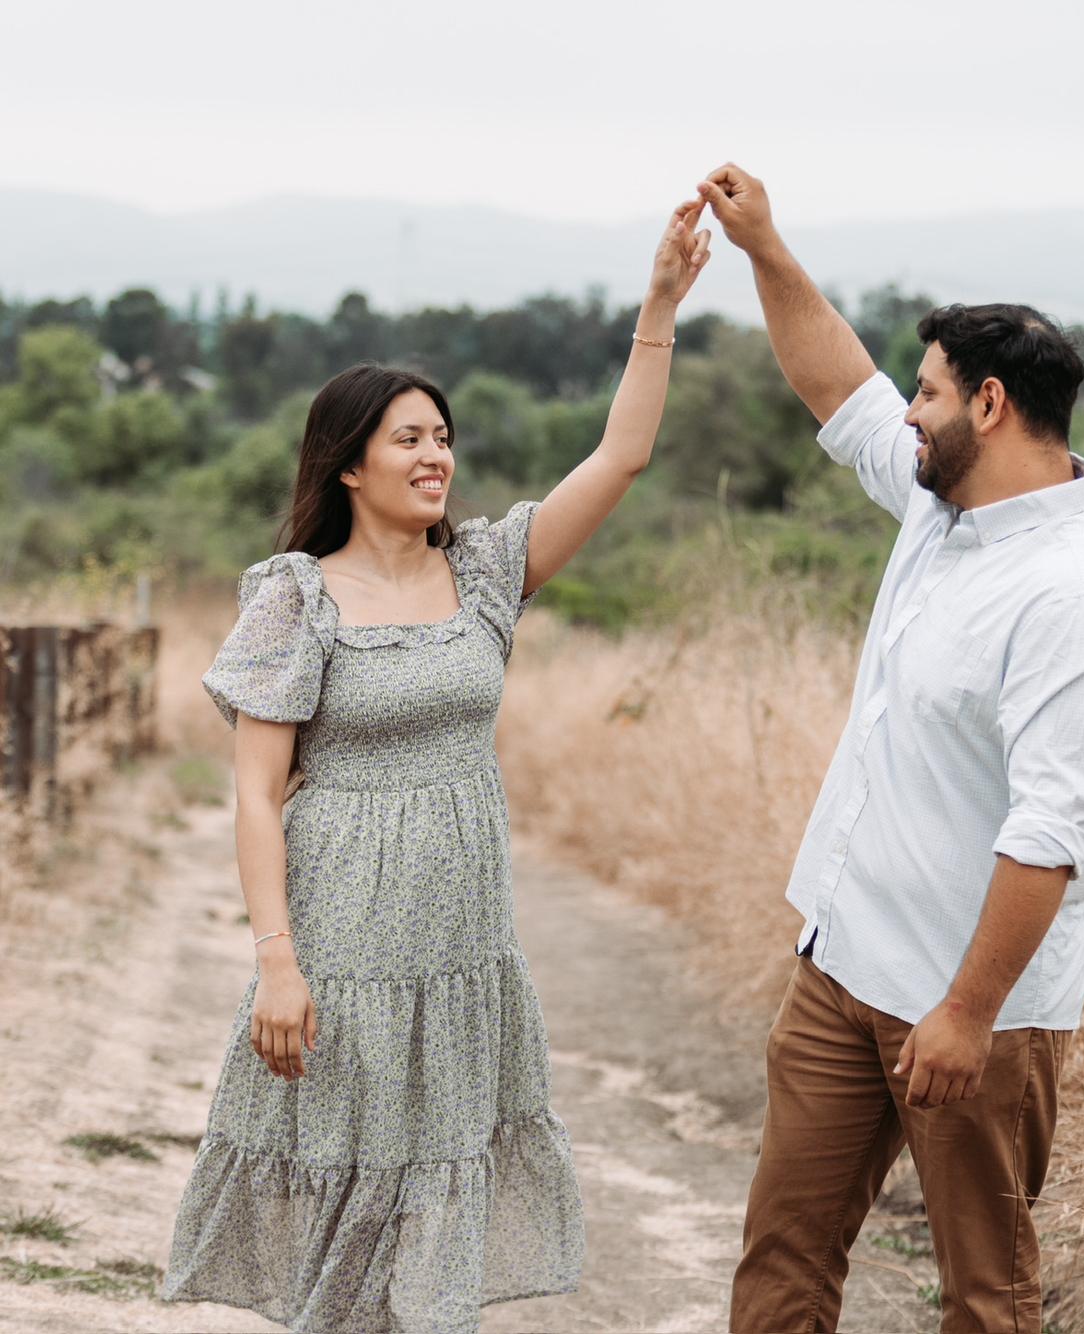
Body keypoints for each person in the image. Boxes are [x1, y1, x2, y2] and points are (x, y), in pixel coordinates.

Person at [158, 199, 711, 1333]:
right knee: (347, 1209)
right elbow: (257, 794)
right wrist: (276, 962)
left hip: (461, 950)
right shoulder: (294, 595)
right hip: (343, 947)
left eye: (442, 436)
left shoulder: (488, 571)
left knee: (431, 1220)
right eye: (408, 437)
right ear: (349, 464)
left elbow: (622, 454)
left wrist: (656, 307)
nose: (435, 455)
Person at [695, 163, 1084, 1333]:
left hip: (972, 1012)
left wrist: (965, 1010)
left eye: (927, 390)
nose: (906, 409)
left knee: (983, 1298)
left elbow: (1051, 828)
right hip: (842, 960)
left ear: (987, 405)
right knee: (782, 1256)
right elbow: (833, 384)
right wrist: (765, 247)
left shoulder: (1073, 599)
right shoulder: (936, 506)